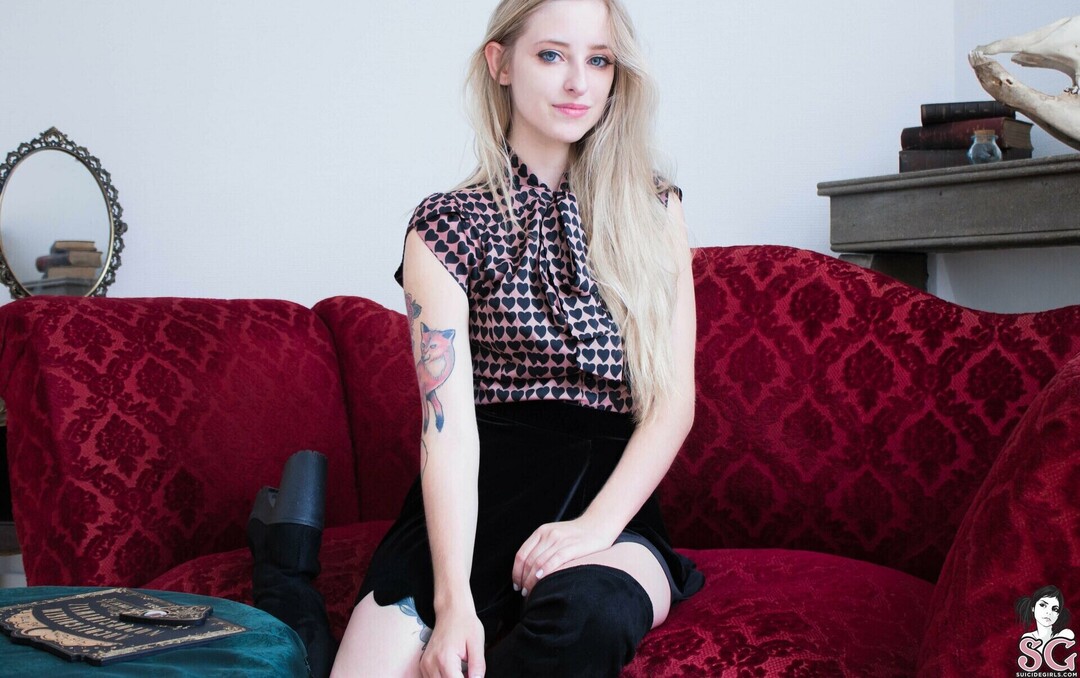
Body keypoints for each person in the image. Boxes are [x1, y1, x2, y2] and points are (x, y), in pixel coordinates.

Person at [250, 0, 702, 676]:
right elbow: (448, 430)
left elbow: (672, 403)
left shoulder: (654, 209)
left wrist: (594, 528)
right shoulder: (446, 227)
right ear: (501, 63)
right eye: (551, 55)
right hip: (478, 499)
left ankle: (286, 561)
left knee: (590, 617)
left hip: (609, 505)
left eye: (599, 60)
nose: (578, 82)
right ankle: (285, 572)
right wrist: (454, 600)